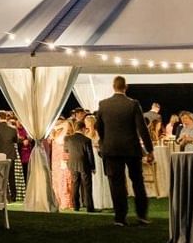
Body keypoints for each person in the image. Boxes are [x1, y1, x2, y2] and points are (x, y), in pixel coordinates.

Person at [95, 76, 152, 226]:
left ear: (113, 86)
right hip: (131, 148)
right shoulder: (133, 104)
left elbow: (99, 127)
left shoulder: (103, 104)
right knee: (137, 182)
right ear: (125, 87)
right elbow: (142, 128)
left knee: (117, 183)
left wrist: (104, 141)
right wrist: (149, 149)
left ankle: (120, 217)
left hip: (111, 149)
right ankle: (141, 216)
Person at [62, 118, 95, 210]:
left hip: (72, 164)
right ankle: (90, 207)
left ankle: (76, 206)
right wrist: (93, 166)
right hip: (84, 164)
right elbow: (90, 155)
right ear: (83, 129)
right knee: (87, 186)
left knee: (75, 184)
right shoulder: (86, 140)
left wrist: (66, 163)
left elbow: (65, 152)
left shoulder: (68, 138)